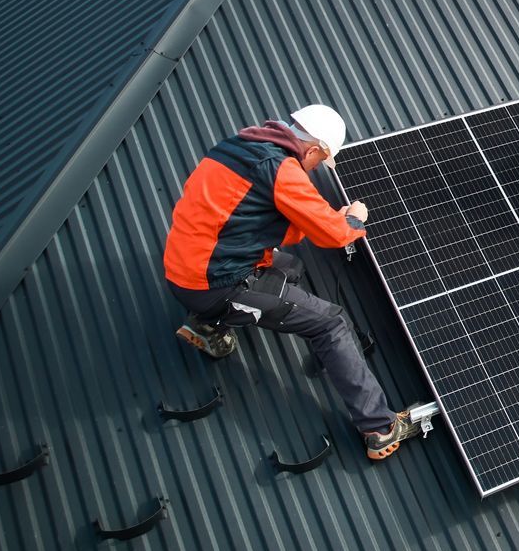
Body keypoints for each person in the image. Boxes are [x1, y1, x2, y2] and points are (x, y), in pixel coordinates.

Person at [162, 104, 416, 461]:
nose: (314, 168)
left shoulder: (239, 145)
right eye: (320, 161)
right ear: (313, 150)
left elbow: (257, 216)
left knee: (290, 266)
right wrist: (354, 221)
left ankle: (205, 321)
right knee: (331, 323)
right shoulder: (283, 170)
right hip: (217, 285)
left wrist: (323, 218)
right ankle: (379, 428)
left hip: (182, 266)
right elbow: (333, 235)